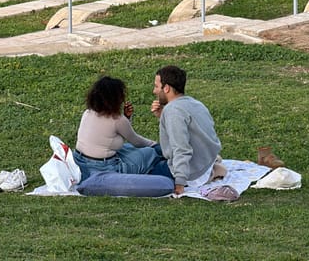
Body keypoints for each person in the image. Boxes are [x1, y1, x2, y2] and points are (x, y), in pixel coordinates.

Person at [151, 65, 223, 195]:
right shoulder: (194, 103)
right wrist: (162, 116)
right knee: (153, 151)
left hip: (193, 173)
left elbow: (181, 148)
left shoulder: (173, 111)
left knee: (146, 168)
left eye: (156, 86)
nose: (154, 91)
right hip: (206, 161)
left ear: (166, 88)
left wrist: (180, 182)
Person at [73, 75, 159, 181]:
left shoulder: (88, 112)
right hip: (103, 168)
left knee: (128, 148)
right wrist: (155, 145)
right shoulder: (117, 119)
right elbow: (137, 141)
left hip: (79, 161)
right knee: (149, 153)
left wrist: (127, 117)